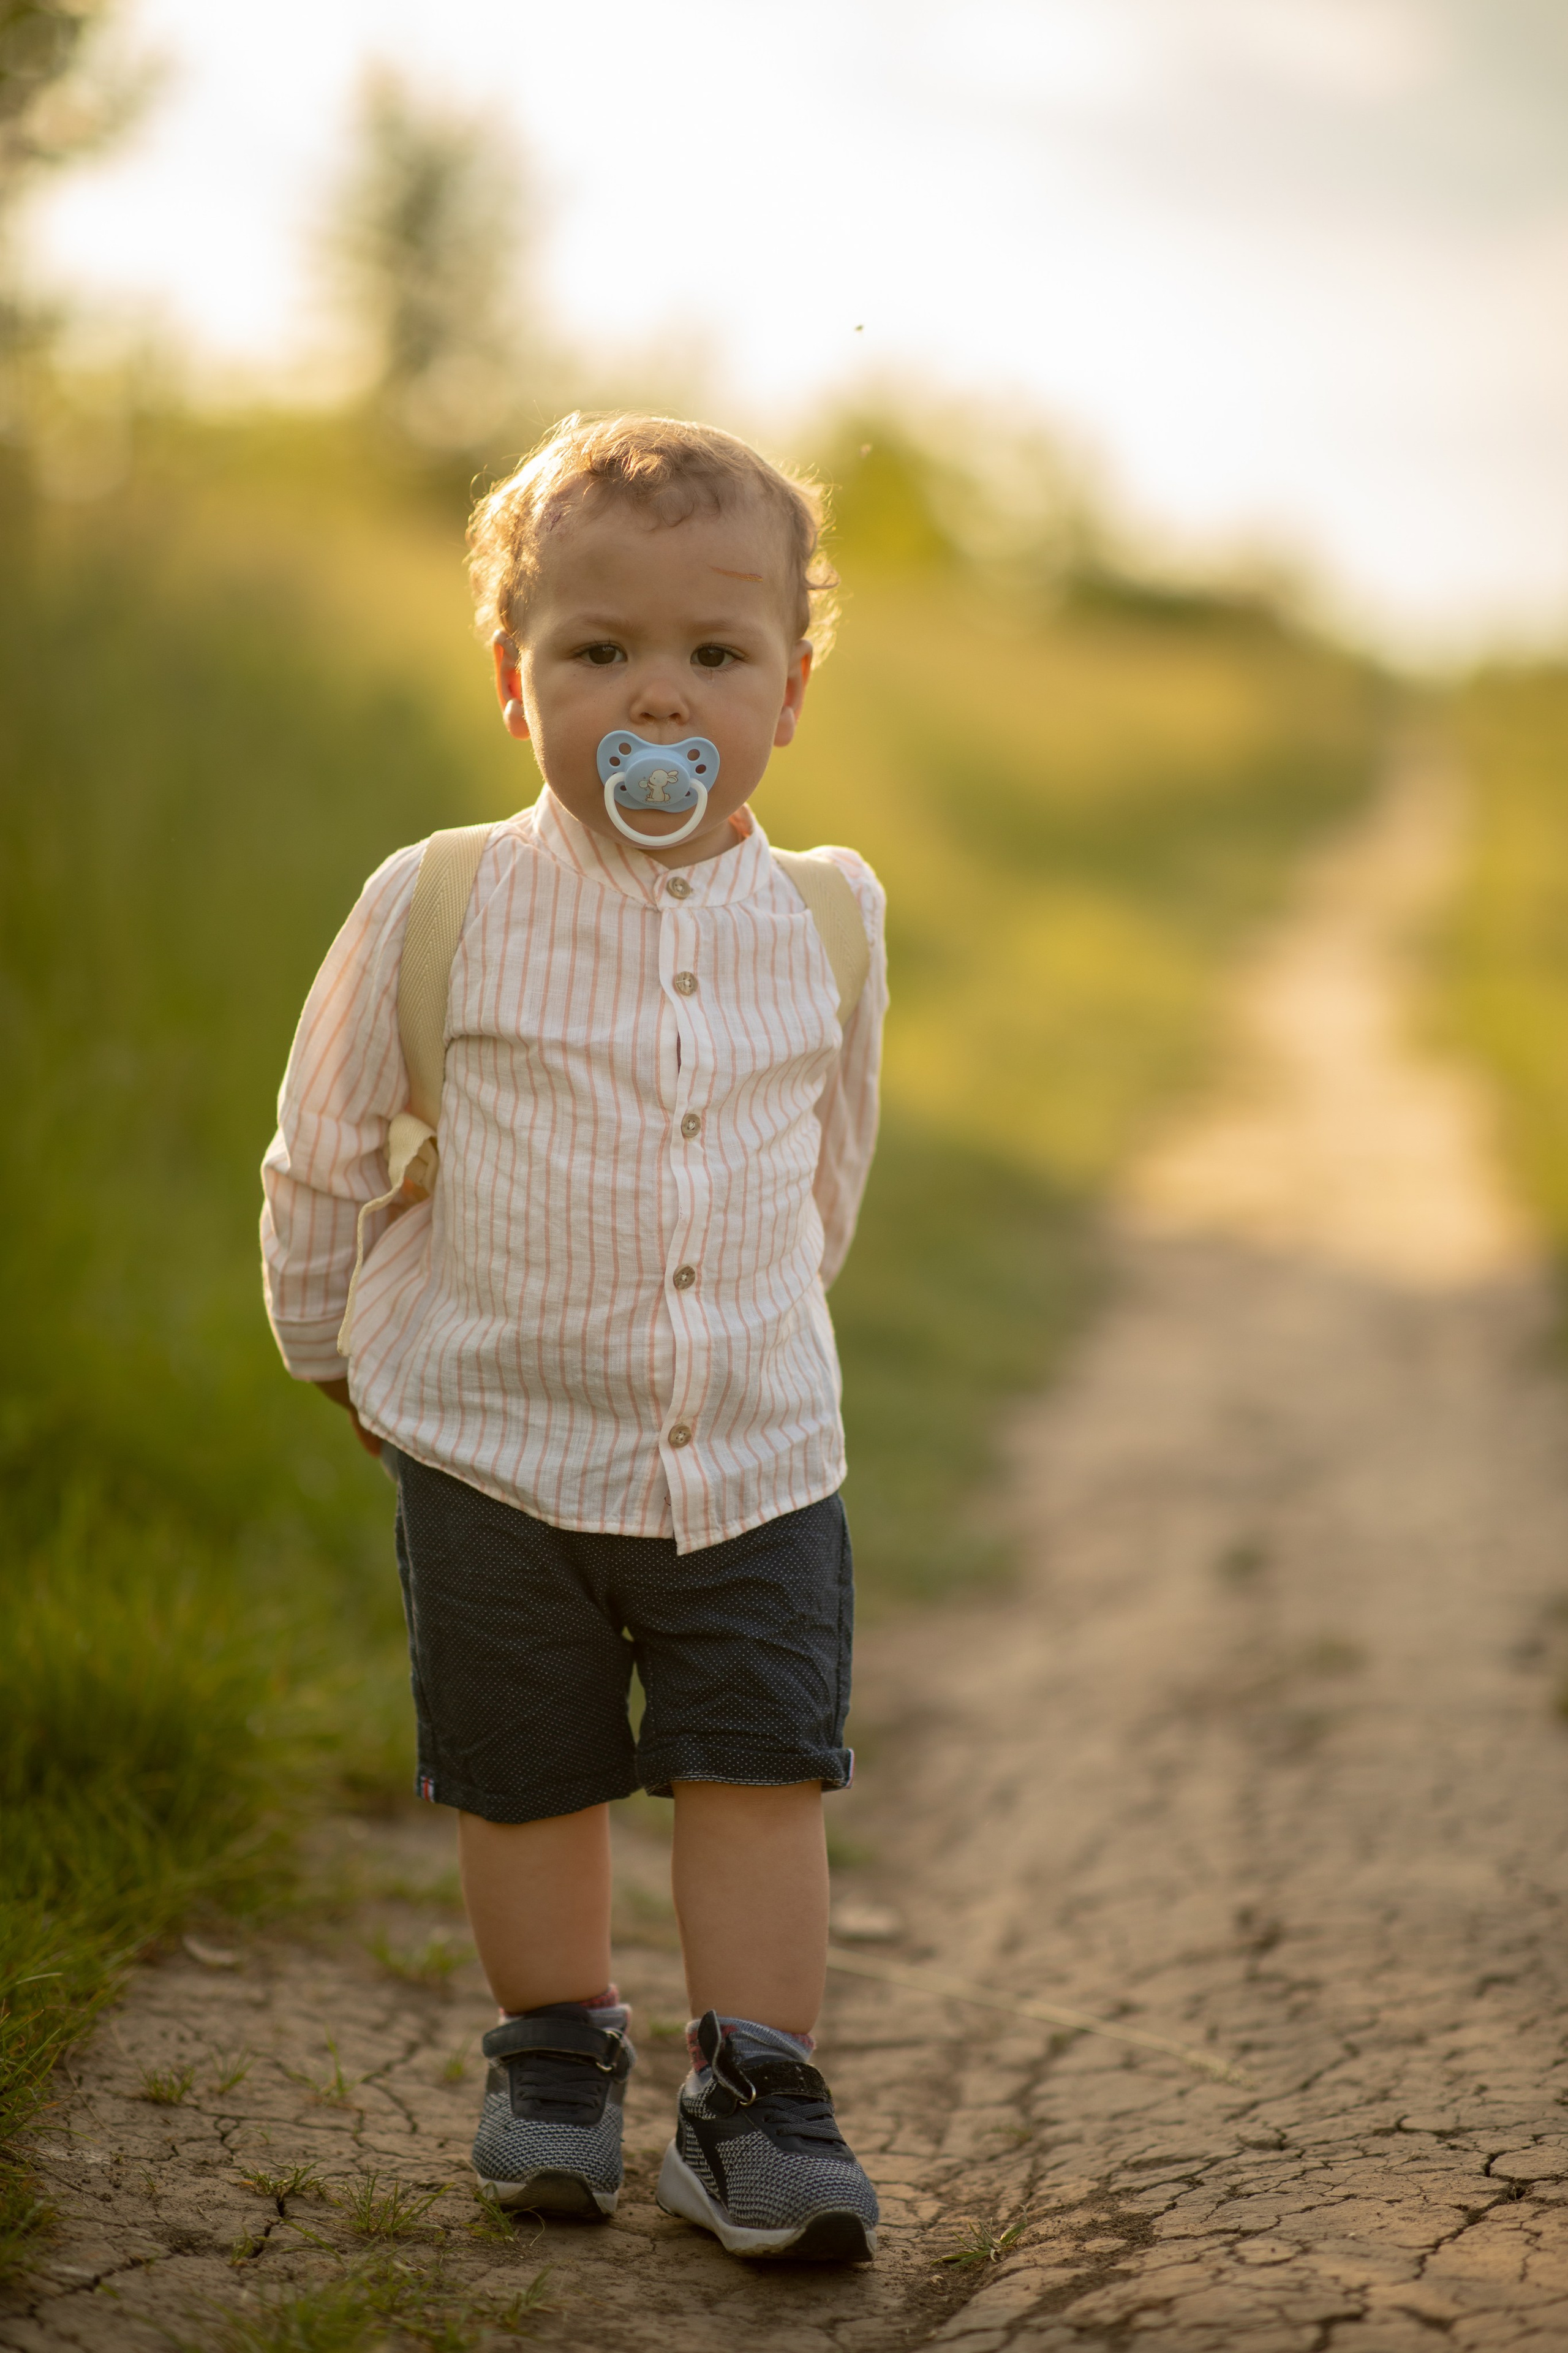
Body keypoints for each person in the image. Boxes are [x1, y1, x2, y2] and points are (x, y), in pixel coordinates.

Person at [260, 414, 888, 2263]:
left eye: (717, 653)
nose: (658, 699)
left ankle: (755, 2088)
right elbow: (323, 1154)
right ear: (517, 691)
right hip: (496, 1444)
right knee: (525, 1768)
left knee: (760, 1764)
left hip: (756, 1451)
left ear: (792, 688)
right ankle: (554, 2049)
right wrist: (332, 1354)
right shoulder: (439, 898)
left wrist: (757, 1342)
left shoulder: (832, 920)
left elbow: (822, 1171)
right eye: (596, 651)